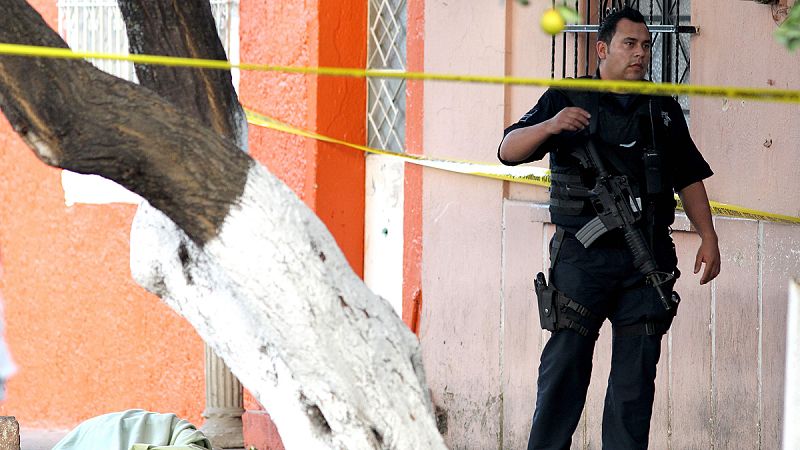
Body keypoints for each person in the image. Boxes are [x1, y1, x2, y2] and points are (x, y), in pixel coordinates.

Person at [497, 7, 721, 450]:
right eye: (629, 44)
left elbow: (688, 175)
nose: (640, 54)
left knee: (634, 390)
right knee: (564, 374)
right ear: (602, 48)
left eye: (646, 45)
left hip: (647, 263)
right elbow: (507, 150)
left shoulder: (662, 109)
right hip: (583, 264)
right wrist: (552, 125)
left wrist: (709, 236)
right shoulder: (568, 96)